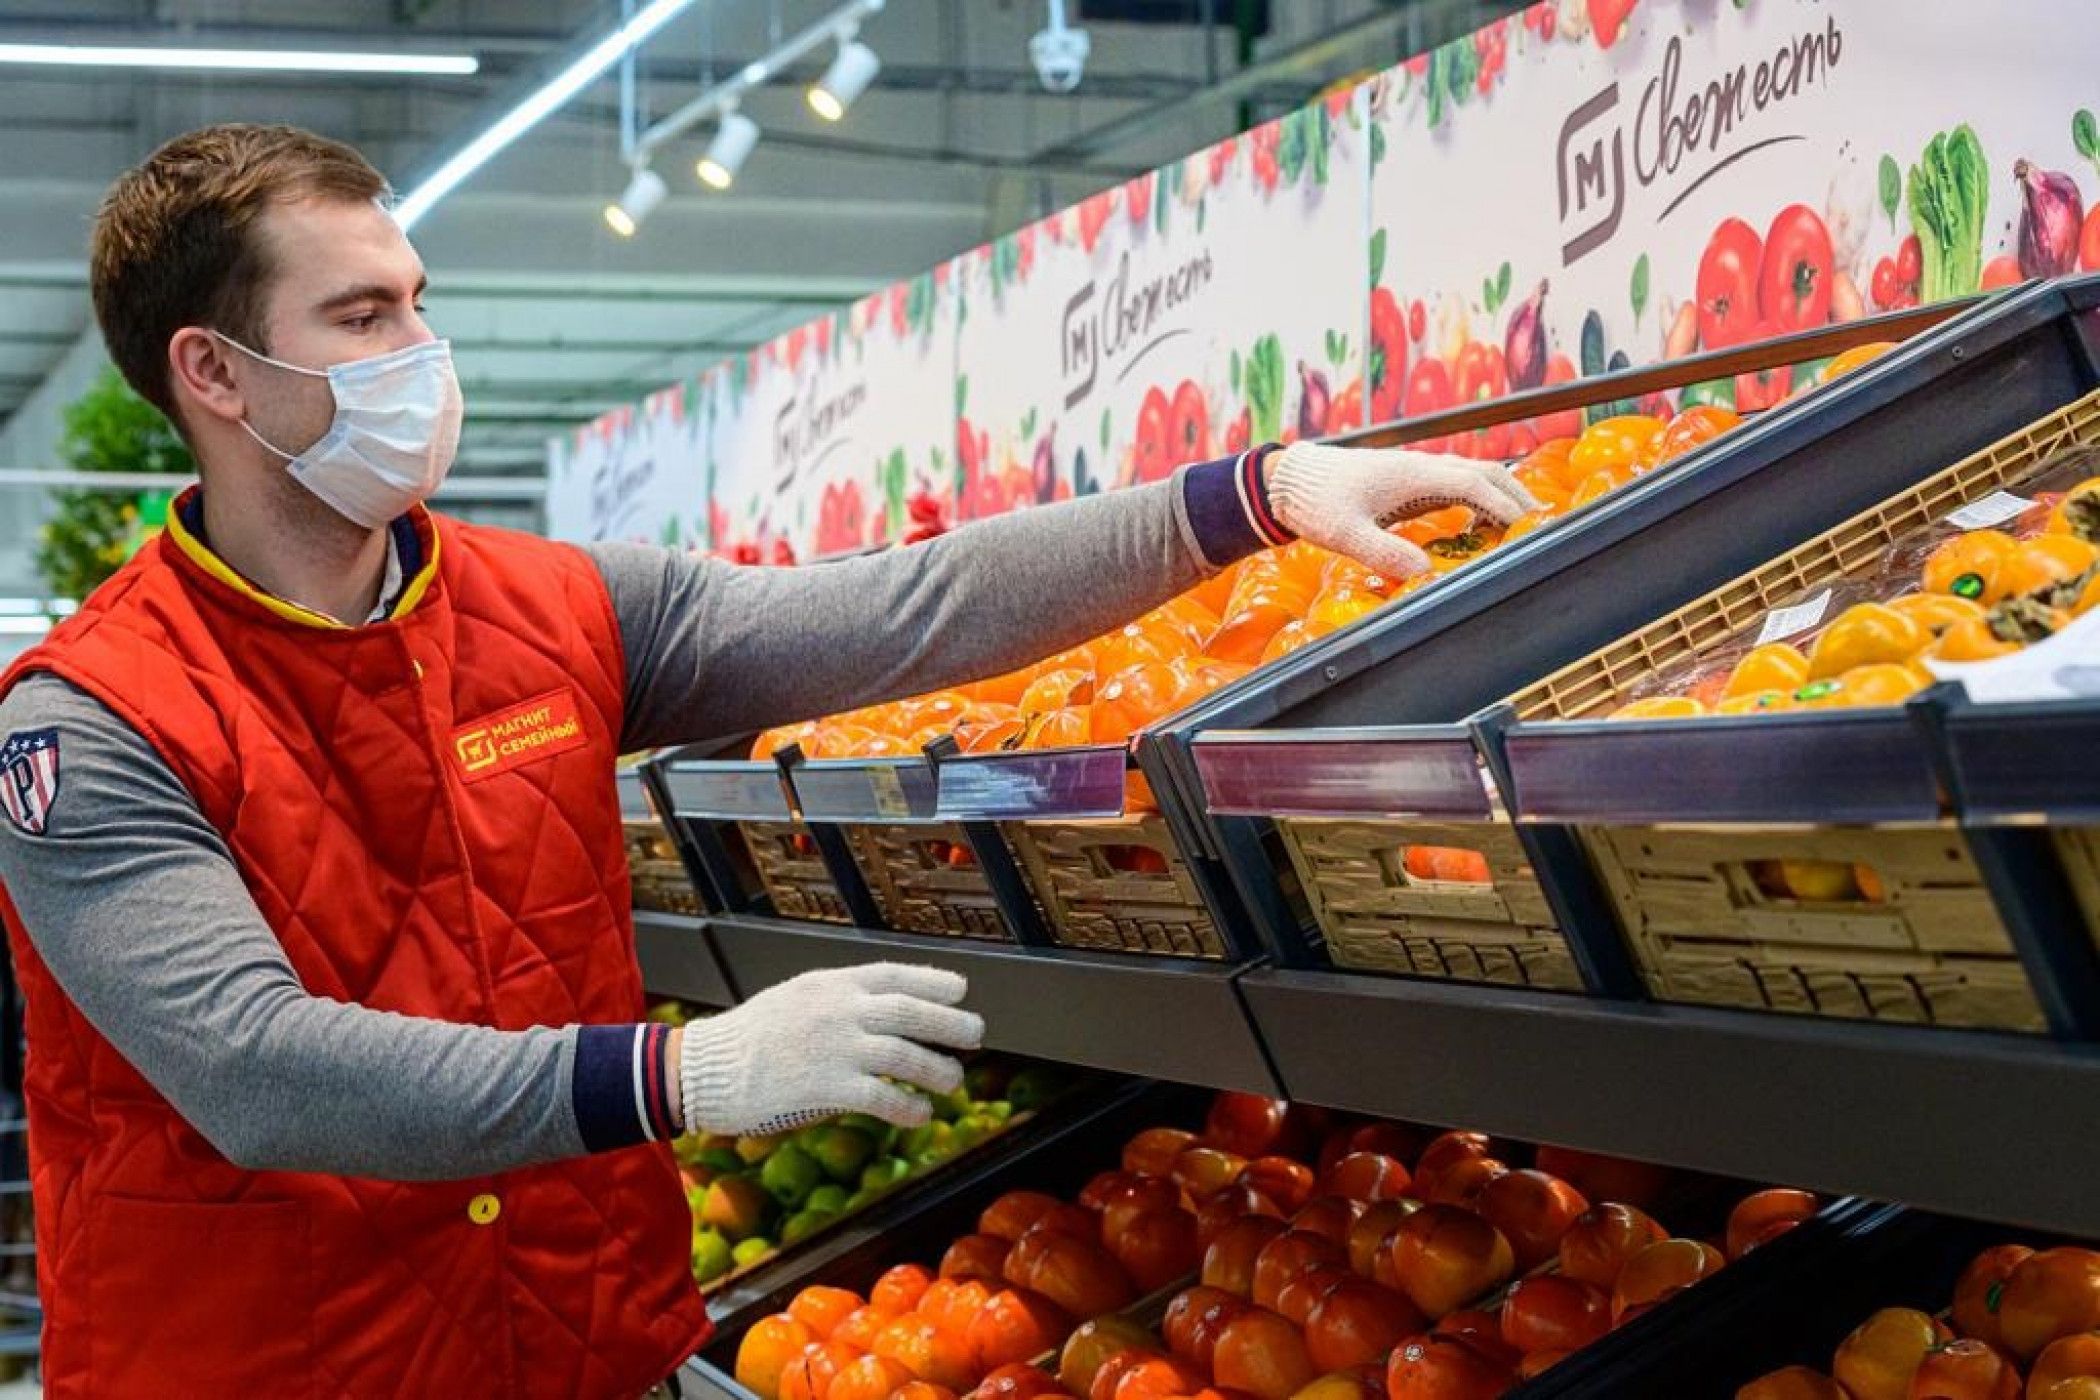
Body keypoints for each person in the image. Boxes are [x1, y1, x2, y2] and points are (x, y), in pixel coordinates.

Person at [0, 125, 1533, 1398]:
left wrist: (1245, 498)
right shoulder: (89, 719)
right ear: (213, 373)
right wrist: (688, 1072)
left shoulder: (557, 609)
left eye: (418, 303)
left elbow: (903, 609)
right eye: (361, 319)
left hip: (585, 1343)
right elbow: (259, 1073)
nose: (422, 352)